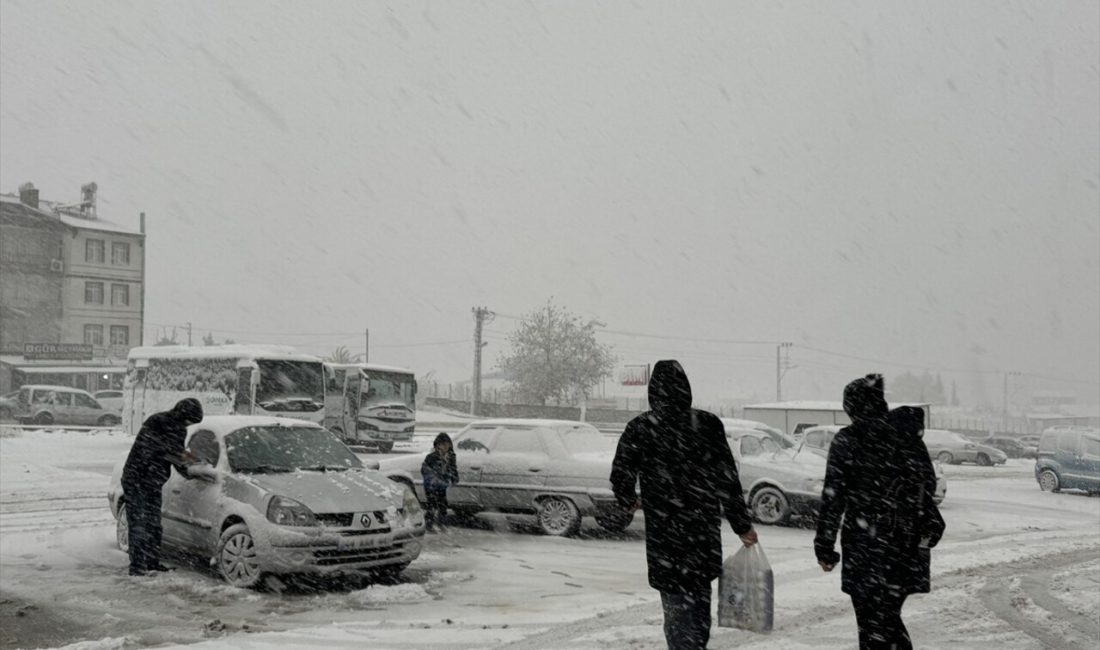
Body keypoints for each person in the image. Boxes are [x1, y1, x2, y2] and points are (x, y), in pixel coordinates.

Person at [610, 359, 758, 650]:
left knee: (675, 608)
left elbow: (620, 473)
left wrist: (628, 500)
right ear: (686, 389)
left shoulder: (641, 427)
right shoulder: (707, 424)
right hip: (701, 534)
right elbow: (727, 480)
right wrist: (742, 526)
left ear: (653, 392)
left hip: (665, 536)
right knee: (699, 605)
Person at [814, 375, 946, 649]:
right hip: (906, 546)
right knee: (887, 619)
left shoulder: (849, 440)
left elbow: (833, 498)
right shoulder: (907, 436)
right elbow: (928, 484)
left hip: (866, 548)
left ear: (852, 407)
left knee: (873, 624)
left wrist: (824, 546)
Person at [121, 398, 204, 576]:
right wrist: (184, 463)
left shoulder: (179, 429)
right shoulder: (157, 422)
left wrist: (192, 464)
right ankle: (136, 566)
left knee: (154, 524)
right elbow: (159, 450)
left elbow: (177, 453)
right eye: (189, 420)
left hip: (153, 481)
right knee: (138, 523)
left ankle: (152, 562)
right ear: (182, 414)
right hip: (136, 478)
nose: (189, 424)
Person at [420, 432, 459, 533]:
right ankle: (429, 525)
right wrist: (433, 478)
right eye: (443, 444)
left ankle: (441, 524)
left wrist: (454, 477)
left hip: (442, 484)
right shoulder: (431, 457)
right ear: (437, 445)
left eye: (447, 444)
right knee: (431, 505)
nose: (445, 446)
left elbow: (453, 468)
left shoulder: (451, 456)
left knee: (443, 504)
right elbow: (424, 469)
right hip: (430, 485)